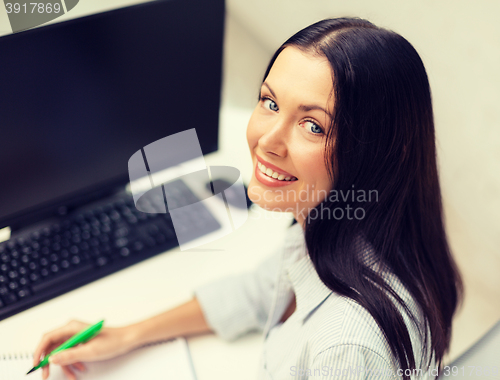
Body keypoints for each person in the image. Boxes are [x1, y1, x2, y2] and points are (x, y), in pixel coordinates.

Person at [33, 17, 464, 380]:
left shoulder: (346, 347)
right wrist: (130, 334)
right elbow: (260, 293)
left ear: (380, 150)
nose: (267, 141)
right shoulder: (336, 229)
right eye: (270, 102)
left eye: (313, 126)